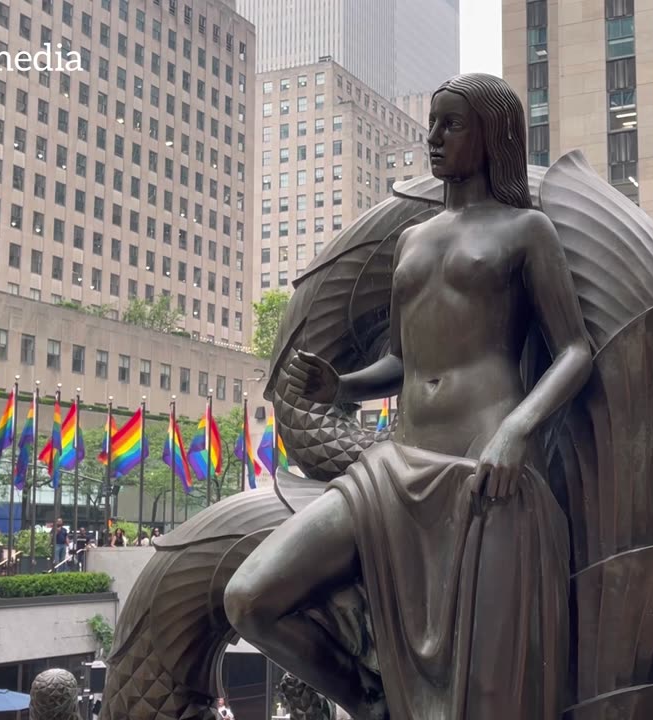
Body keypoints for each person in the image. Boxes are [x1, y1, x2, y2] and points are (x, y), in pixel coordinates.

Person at [225, 74, 590, 720]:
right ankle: (371, 700)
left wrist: (518, 431)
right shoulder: (411, 241)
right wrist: (344, 386)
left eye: (452, 125)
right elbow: (403, 359)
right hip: (392, 473)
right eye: (432, 123)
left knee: (486, 701)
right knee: (251, 597)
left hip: (487, 478)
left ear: (491, 136)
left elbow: (575, 351)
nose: (434, 138)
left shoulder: (526, 230)